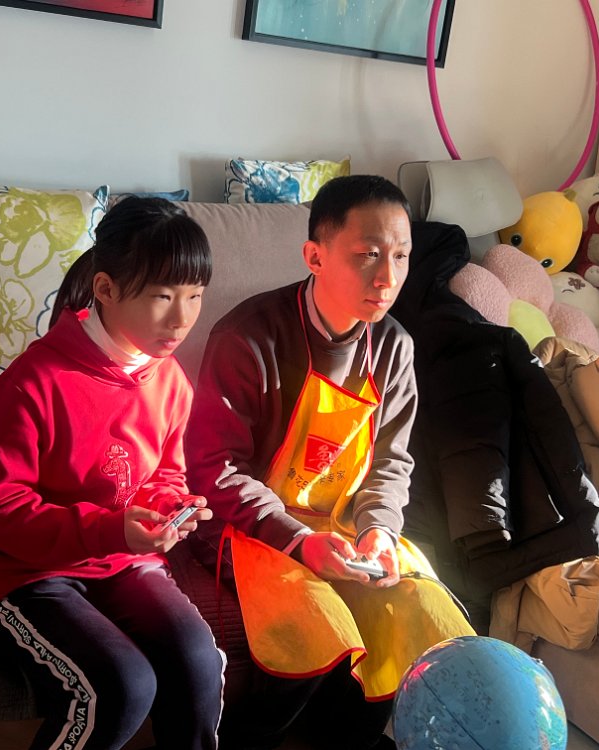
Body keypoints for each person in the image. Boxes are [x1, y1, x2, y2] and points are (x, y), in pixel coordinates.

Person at [186, 175, 474, 750]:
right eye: (368, 255)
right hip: (251, 530)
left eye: (401, 256)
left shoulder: (393, 348)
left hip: (342, 523)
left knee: (422, 606)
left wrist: (379, 532)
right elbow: (215, 469)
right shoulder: (250, 337)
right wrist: (298, 542)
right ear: (315, 256)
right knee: (316, 621)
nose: (387, 277)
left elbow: (391, 463)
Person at [0, 196, 224, 750]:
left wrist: (169, 507)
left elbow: (166, 473)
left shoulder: (171, 380)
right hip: (26, 571)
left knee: (199, 662)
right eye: (162, 296)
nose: (182, 319)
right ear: (105, 289)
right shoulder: (33, 382)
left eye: (195, 296)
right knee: (122, 685)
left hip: (122, 558)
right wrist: (110, 529)